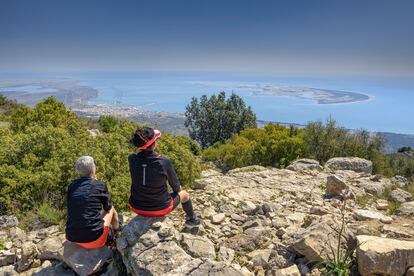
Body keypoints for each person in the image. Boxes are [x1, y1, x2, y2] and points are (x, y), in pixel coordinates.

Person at [128, 127, 201, 227]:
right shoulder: (164, 161)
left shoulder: (131, 159)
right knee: (184, 194)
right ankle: (192, 220)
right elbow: (176, 187)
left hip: (136, 207)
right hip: (160, 209)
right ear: (154, 144)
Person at [65, 156, 119, 249]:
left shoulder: (71, 186)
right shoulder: (99, 185)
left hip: (72, 238)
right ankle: (117, 231)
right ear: (93, 169)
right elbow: (107, 207)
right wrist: (96, 182)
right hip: (94, 240)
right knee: (111, 209)